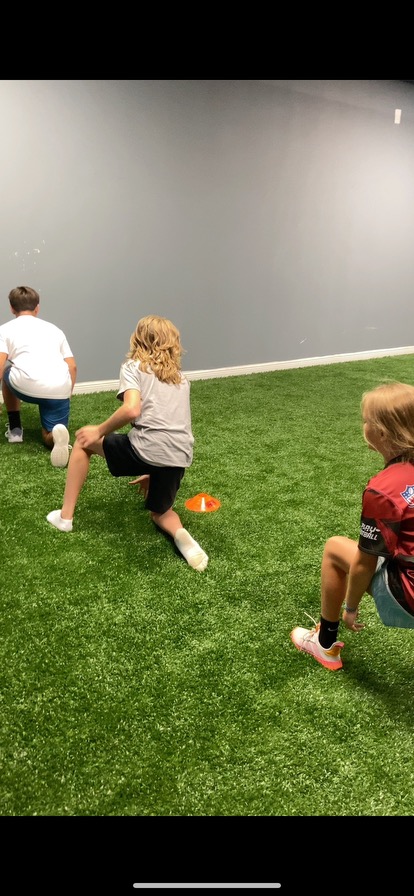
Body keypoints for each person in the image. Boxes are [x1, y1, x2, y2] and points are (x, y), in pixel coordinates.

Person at [46, 314, 209, 572]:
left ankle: (65, 517)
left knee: (83, 442)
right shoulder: (181, 378)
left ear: (138, 339)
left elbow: (132, 409)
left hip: (146, 449)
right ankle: (183, 538)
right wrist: (153, 471)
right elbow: (167, 426)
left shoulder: (134, 366)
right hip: (179, 456)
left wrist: (98, 430)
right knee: (161, 513)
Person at [291, 381, 414, 671]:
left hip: (409, 596)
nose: (364, 426)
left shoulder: (383, 490)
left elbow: (364, 563)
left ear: (381, 432)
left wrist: (351, 607)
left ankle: (325, 644)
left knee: (335, 548)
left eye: (366, 420)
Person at [0, 285, 77, 467]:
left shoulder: (4, 330)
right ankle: (54, 436)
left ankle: (16, 430)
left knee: (7, 371)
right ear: (37, 308)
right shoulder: (55, 330)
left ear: (11, 308)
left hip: (26, 385)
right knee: (48, 434)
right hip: (59, 387)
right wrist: (66, 393)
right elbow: (72, 366)